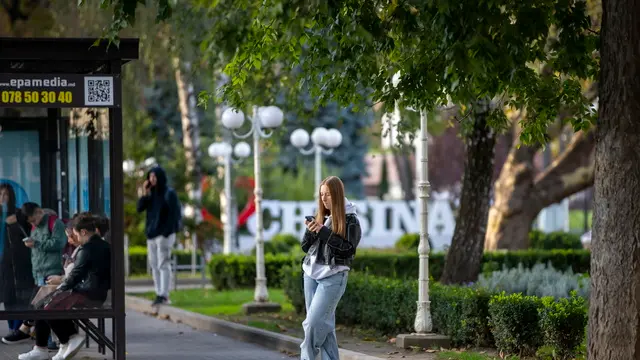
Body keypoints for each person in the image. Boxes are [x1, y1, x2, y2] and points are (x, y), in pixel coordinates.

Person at [19, 213, 111, 360]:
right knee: (45, 303)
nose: (74, 239)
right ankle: (51, 346)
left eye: (75, 234)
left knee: (47, 307)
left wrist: (61, 288)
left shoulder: (87, 249)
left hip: (88, 294)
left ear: (83, 232)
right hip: (94, 292)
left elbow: (76, 275)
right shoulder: (102, 246)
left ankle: (67, 339)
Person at [300, 176, 362, 360]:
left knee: (312, 324)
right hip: (310, 275)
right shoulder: (321, 216)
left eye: (327, 194)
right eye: (321, 195)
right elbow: (305, 247)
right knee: (325, 328)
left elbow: (347, 250)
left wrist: (324, 232)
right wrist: (312, 231)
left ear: (337, 193)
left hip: (333, 277)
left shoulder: (351, 220)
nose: (324, 198)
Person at [136, 166, 182, 306]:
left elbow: (175, 215)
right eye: (150, 177)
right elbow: (139, 208)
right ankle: (158, 293)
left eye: (154, 176)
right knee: (154, 265)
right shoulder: (150, 194)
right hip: (152, 235)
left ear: (160, 177)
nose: (152, 179)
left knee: (163, 264)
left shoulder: (169, 193)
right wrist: (145, 192)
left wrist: (166, 232)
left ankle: (164, 295)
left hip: (164, 235)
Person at [0, 183, 35, 344]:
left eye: (5, 195)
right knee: (7, 296)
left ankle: (19, 328)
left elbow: (31, 219)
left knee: (20, 295)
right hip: (3, 261)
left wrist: (18, 219)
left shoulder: (18, 213)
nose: (2, 198)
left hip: (18, 261)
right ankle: (13, 329)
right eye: (0, 195)